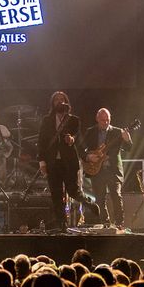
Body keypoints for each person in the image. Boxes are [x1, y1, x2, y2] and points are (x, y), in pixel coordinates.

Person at [37, 92, 94, 231]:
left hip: (69, 162)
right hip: (52, 162)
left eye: (62, 100)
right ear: (53, 103)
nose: (59, 102)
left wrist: (71, 139)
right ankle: (61, 224)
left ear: (66, 102)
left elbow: (75, 136)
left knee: (73, 191)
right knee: (56, 194)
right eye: (56, 100)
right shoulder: (47, 120)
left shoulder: (73, 120)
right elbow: (41, 142)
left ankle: (89, 203)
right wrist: (42, 163)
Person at [79, 108, 131, 228]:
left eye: (107, 119)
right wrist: (88, 157)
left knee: (116, 196)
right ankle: (105, 223)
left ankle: (119, 223)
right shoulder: (90, 132)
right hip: (97, 170)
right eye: (103, 120)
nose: (105, 122)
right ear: (97, 119)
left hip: (113, 170)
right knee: (100, 199)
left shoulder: (118, 132)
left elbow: (129, 148)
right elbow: (80, 149)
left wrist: (127, 139)